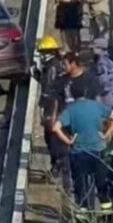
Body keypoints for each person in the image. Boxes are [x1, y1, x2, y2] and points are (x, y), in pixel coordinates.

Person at [52, 80, 113, 219]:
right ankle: (108, 219)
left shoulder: (70, 110)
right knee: (102, 185)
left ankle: (84, 221)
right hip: (98, 152)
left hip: (79, 153)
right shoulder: (96, 106)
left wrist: (68, 141)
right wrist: (106, 135)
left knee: (81, 188)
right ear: (86, 92)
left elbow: (55, 128)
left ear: (72, 94)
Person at [30, 36, 69, 178]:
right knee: (52, 136)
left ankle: (58, 164)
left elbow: (49, 89)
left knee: (51, 137)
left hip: (53, 106)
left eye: (42, 52)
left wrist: (44, 108)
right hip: (54, 105)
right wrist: (37, 74)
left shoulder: (52, 67)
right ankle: (57, 164)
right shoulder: (52, 66)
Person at [89, 38, 113, 109]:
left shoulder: (102, 62)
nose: (91, 51)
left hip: (106, 96)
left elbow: (104, 81)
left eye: (93, 49)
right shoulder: (101, 60)